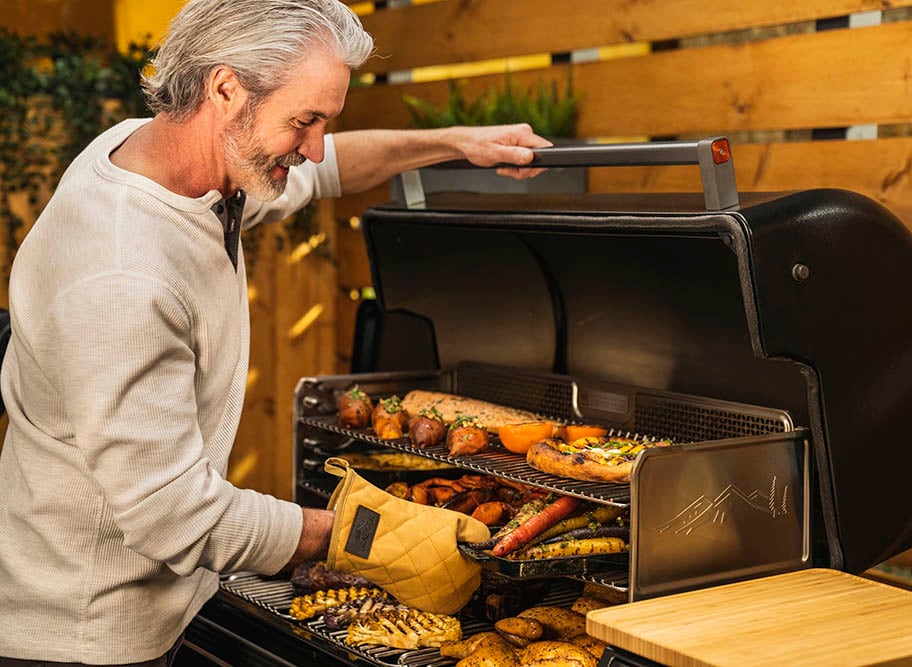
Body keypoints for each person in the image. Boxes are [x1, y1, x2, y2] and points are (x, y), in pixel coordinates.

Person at [0, 0, 551, 664]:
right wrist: (364, 529)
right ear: (226, 89)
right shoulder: (122, 271)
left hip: (156, 605)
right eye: (305, 121)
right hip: (84, 636)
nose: (314, 145)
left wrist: (458, 144)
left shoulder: (178, 161)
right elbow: (174, 515)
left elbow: (330, 167)